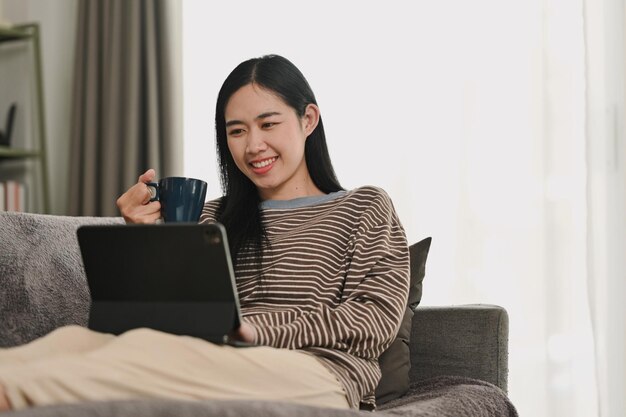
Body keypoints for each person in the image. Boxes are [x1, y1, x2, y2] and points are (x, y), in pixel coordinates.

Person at [0, 55, 409, 412]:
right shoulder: (211, 216)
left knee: (145, 357)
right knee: (71, 340)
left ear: (308, 120)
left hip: (318, 372)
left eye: (268, 123)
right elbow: (161, 318)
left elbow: (373, 319)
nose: (253, 145)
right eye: (237, 131)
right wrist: (143, 243)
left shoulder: (363, 207)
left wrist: (255, 330)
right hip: (210, 355)